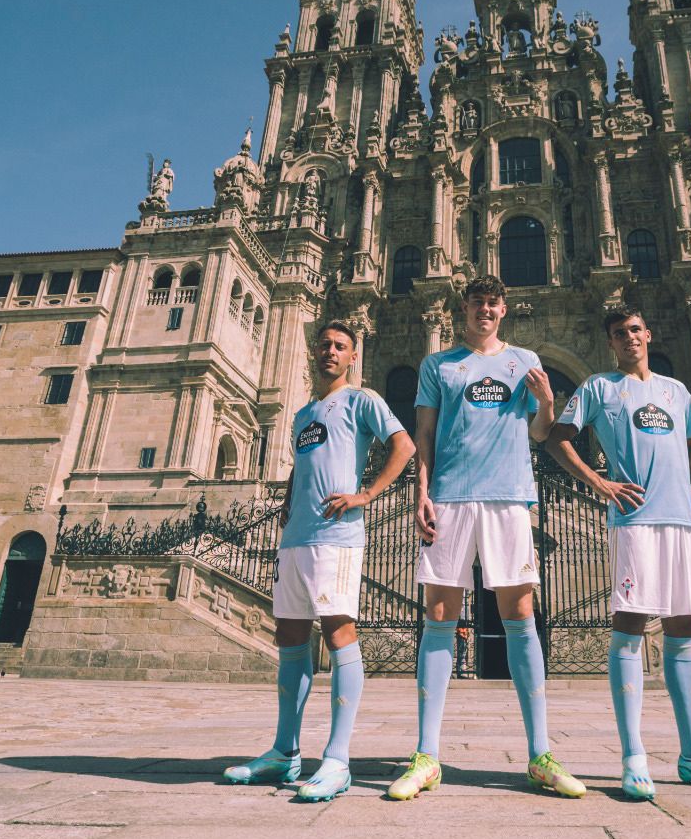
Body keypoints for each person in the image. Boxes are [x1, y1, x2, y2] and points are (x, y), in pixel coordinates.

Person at [546, 305, 691, 798]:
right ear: (611, 343)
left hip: (682, 520)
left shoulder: (676, 390)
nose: (629, 338)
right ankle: (633, 755)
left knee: (684, 626)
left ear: (648, 334)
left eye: (636, 330)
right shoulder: (600, 387)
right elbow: (558, 439)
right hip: (635, 519)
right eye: (620, 333)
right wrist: (600, 483)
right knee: (632, 626)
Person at [386, 275, 585, 800]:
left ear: (504, 311)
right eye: (478, 304)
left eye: (494, 304)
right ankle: (427, 756)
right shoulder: (438, 365)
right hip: (449, 497)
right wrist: (421, 491)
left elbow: (541, 433)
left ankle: (540, 754)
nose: (486, 312)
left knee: (520, 616)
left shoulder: (523, 360)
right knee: (438, 619)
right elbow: (423, 434)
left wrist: (545, 403)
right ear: (465, 310)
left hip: (508, 497)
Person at [224, 320, 414, 801]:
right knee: (289, 634)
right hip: (297, 537)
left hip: (338, 534)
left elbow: (404, 446)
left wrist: (367, 493)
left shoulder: (363, 399)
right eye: (324, 345)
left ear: (353, 356)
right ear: (314, 352)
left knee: (337, 631)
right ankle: (284, 752)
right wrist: (288, 504)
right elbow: (302, 466)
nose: (330, 351)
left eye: (340, 346)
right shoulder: (303, 413)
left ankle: (337, 759)